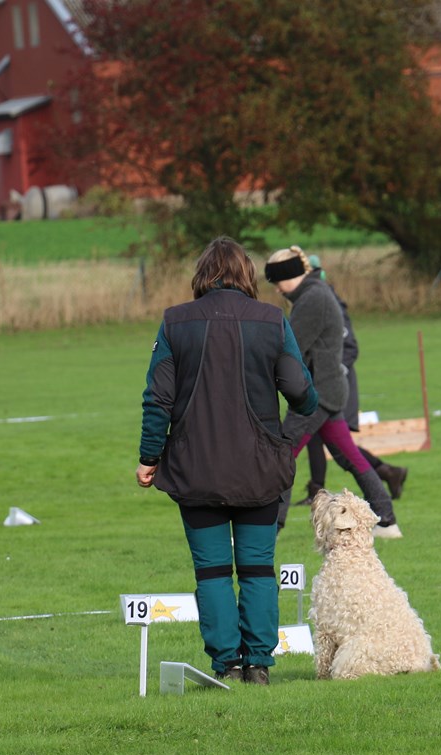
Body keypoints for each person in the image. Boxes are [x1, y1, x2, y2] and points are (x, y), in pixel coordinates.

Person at [136, 237, 319, 685]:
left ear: (202, 275)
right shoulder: (272, 320)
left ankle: (227, 664)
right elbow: (300, 392)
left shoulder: (175, 322)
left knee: (212, 571)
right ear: (247, 275)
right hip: (260, 469)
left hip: (195, 468)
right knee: (257, 568)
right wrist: (292, 425)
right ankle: (258, 663)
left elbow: (157, 399)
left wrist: (148, 457)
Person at [265, 246, 402, 539]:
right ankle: (387, 521)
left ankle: (269, 526)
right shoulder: (313, 294)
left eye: (277, 282)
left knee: (283, 454)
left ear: (290, 276)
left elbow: (290, 348)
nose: (276, 289)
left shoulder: (313, 299)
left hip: (318, 394)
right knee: (350, 457)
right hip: (329, 389)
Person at [294, 254, 408, 505]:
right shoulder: (309, 301)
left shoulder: (330, 302)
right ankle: (320, 489)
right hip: (318, 387)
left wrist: (330, 374)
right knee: (324, 439)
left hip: (335, 386)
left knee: (340, 446)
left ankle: (386, 474)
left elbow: (349, 348)